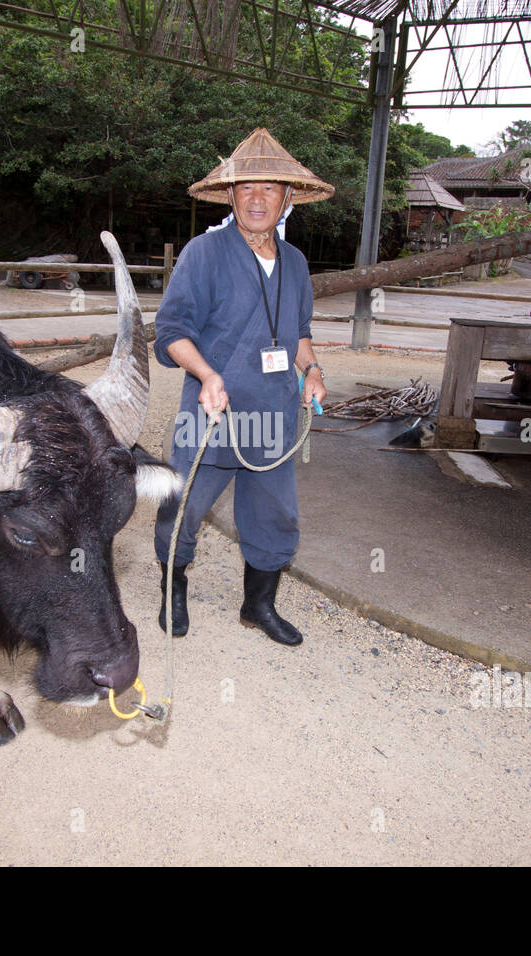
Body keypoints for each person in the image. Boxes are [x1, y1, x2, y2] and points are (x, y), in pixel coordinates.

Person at [152, 128, 332, 646]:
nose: (258, 198)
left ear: (287, 198)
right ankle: (173, 589)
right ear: (230, 196)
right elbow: (172, 332)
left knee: (275, 514)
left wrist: (312, 370)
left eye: (269, 189)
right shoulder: (203, 253)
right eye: (246, 188)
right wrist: (207, 375)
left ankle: (258, 605)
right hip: (212, 412)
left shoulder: (296, 263)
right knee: (182, 508)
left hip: (273, 415)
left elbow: (299, 333)